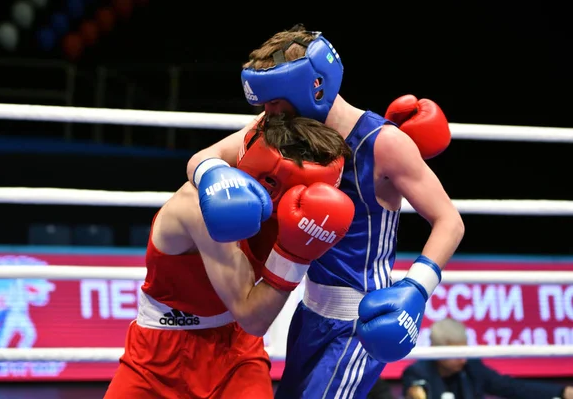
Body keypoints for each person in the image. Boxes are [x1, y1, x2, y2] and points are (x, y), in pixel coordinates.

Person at [186, 24, 465, 398]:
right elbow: (201, 158)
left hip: (358, 323)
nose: (268, 113)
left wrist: (416, 287)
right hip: (309, 314)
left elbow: (449, 220)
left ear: (312, 88)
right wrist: (214, 177)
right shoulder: (281, 127)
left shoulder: (383, 144)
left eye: (274, 102)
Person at [103, 114, 355, 399]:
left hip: (238, 351)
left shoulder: (280, 177)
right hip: (158, 355)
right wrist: (296, 255)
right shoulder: (199, 207)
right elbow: (253, 317)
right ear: (273, 181)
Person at [402, 318, 573, 399]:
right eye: (455, 354)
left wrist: (561, 392)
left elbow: (511, 387)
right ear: (436, 350)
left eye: (465, 351)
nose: (463, 359)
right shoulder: (417, 373)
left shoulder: (472, 368)